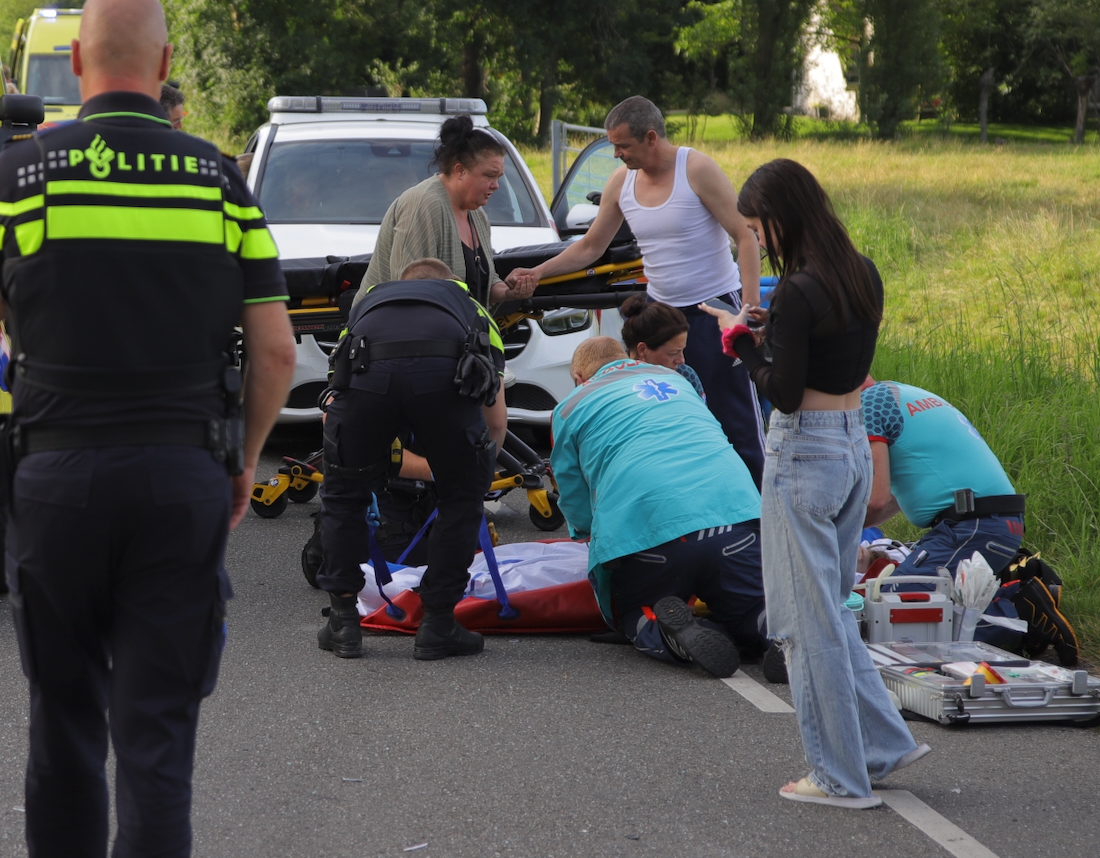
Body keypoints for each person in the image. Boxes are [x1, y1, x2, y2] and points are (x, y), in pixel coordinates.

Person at [0, 0, 297, 858]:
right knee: (156, 740)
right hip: (180, 478)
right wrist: (245, 460)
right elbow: (275, 354)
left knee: (64, 721)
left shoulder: (23, 174)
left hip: (57, 479)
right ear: (166, 65)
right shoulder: (220, 181)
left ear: (77, 62)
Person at [702, 158, 926, 811]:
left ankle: (838, 776)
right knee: (831, 615)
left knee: (805, 625)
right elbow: (838, 357)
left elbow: (786, 395)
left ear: (783, 216)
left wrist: (742, 342)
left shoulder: (797, 290)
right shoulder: (862, 273)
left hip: (804, 455)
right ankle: (882, 747)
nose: (760, 239)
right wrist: (775, 335)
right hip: (853, 444)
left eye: (759, 226)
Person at [509, 97, 765, 484]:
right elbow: (591, 247)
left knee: (735, 419)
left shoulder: (695, 169)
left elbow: (745, 237)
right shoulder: (621, 182)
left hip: (715, 310)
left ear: (650, 137)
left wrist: (749, 311)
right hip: (661, 316)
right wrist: (538, 273)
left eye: (622, 146)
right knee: (667, 416)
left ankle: (759, 520)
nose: (616, 154)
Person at [315, 257, 508, 661]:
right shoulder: (471, 307)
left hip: (369, 380)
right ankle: (437, 623)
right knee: (460, 501)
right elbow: (494, 419)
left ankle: (344, 620)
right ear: (454, 284)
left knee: (343, 497)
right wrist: (473, 478)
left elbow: (336, 393)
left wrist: (350, 463)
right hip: (442, 381)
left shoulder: (368, 303)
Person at [552, 337, 765, 678]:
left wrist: (589, 533)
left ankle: (667, 633)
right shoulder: (677, 380)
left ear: (579, 377)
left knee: (635, 613)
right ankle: (775, 636)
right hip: (735, 514)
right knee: (753, 604)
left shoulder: (571, 406)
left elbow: (573, 491)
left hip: (648, 532)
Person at [359, 117, 535, 307]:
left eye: (499, 177)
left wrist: (509, 291)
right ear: (460, 170)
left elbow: (482, 285)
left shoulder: (477, 215)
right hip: (396, 332)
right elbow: (409, 292)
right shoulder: (424, 204)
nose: (496, 186)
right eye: (489, 175)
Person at [861, 379, 1025, 579]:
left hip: (973, 526)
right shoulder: (901, 393)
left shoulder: (867, 404)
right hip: (1000, 522)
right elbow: (892, 499)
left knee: (896, 602)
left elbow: (876, 501)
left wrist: (836, 533)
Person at [617, 292, 703, 399]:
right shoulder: (614, 384)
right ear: (642, 350)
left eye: (682, 351)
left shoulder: (686, 375)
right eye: (673, 353)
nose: (681, 360)